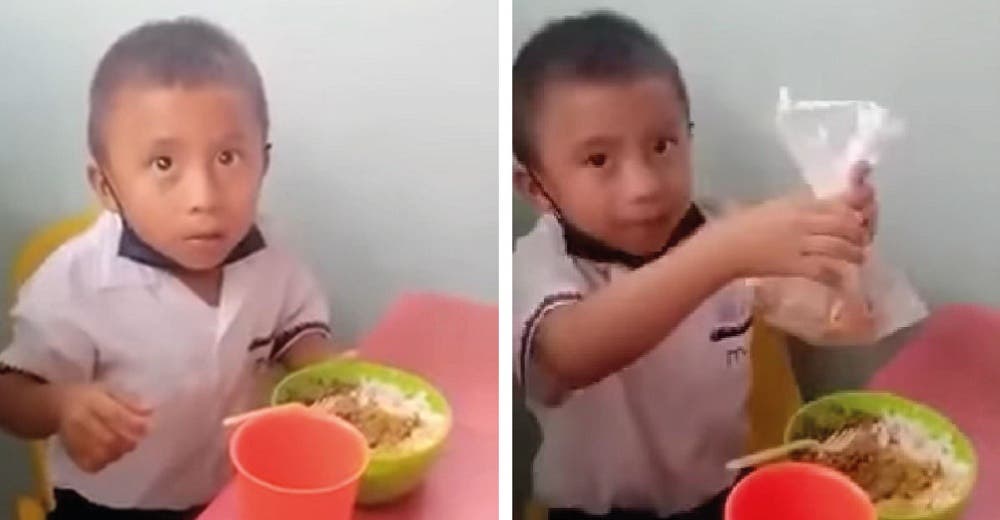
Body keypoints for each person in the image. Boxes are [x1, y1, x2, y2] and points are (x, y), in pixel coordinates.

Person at [512, 11, 875, 520]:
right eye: (598, 160)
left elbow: (842, 316)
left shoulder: (723, 227)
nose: (645, 185)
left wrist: (841, 236)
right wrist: (721, 253)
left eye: (663, 146)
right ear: (536, 188)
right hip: (597, 511)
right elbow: (569, 355)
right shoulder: (540, 265)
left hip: (722, 489)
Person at [0, 18, 350, 519]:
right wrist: (62, 406)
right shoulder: (77, 280)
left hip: (224, 489)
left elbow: (296, 329)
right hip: (109, 506)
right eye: (164, 164)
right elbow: (10, 393)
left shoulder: (267, 254)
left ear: (263, 165)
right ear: (106, 186)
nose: (204, 199)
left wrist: (329, 372)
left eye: (228, 157)